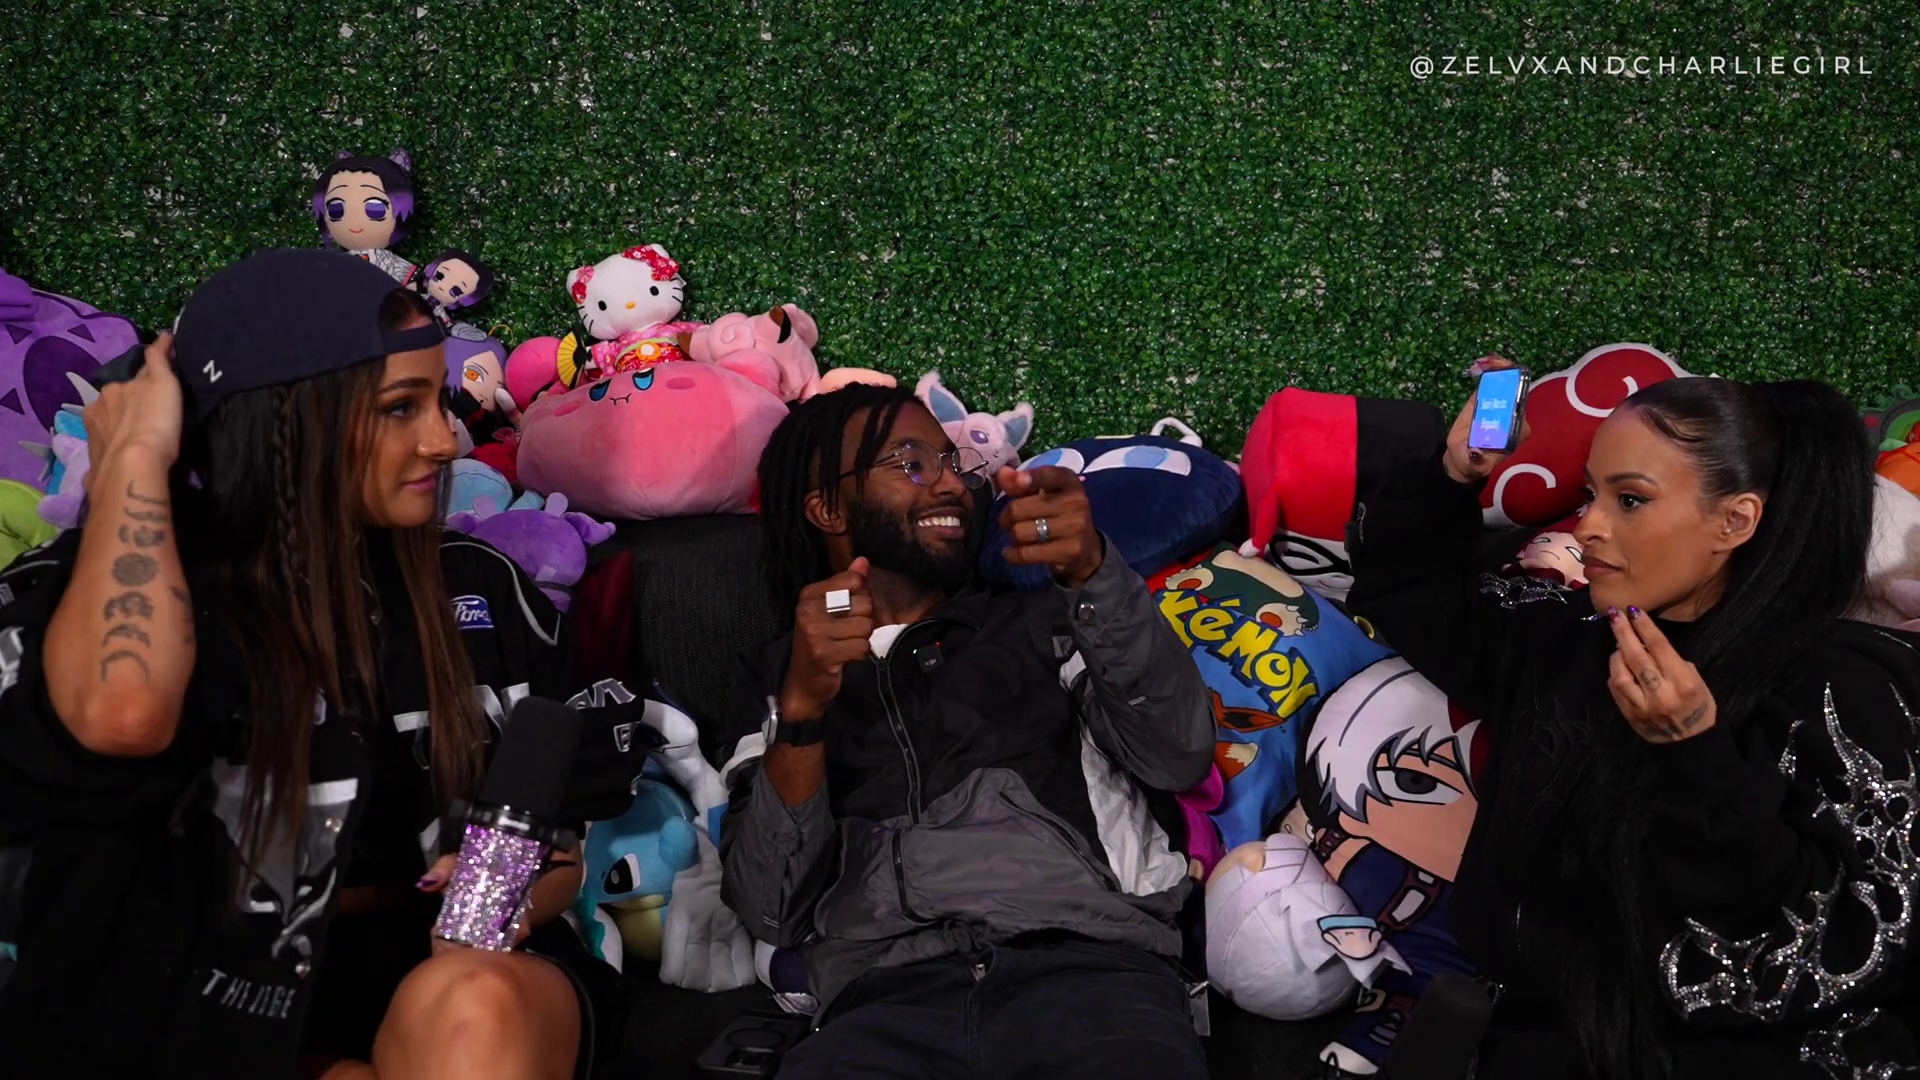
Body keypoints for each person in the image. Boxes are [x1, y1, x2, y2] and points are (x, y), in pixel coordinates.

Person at [0, 250, 650, 1079]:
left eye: (440, 402)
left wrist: (492, 900)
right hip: (190, 1002)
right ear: (283, 420)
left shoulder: (480, 588)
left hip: (461, 986)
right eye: (400, 407)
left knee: (468, 1005)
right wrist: (132, 458)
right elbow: (123, 715)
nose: (443, 440)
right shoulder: (78, 594)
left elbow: (553, 839)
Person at [1344, 364, 1920, 1079]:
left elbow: (1833, 949)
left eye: (1630, 500)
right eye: (1591, 495)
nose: (1588, 526)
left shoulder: (1845, 691)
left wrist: (1697, 754)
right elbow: (1410, 594)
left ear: (1735, 520)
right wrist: (1454, 474)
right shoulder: (1565, 638)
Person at [717, 384, 1214, 1079]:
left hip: (1091, 971)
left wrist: (1094, 573)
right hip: (882, 1002)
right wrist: (802, 709)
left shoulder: (1042, 624)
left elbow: (1178, 753)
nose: (952, 484)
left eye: (952, 462)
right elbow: (771, 908)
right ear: (829, 508)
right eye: (912, 463)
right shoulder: (777, 677)